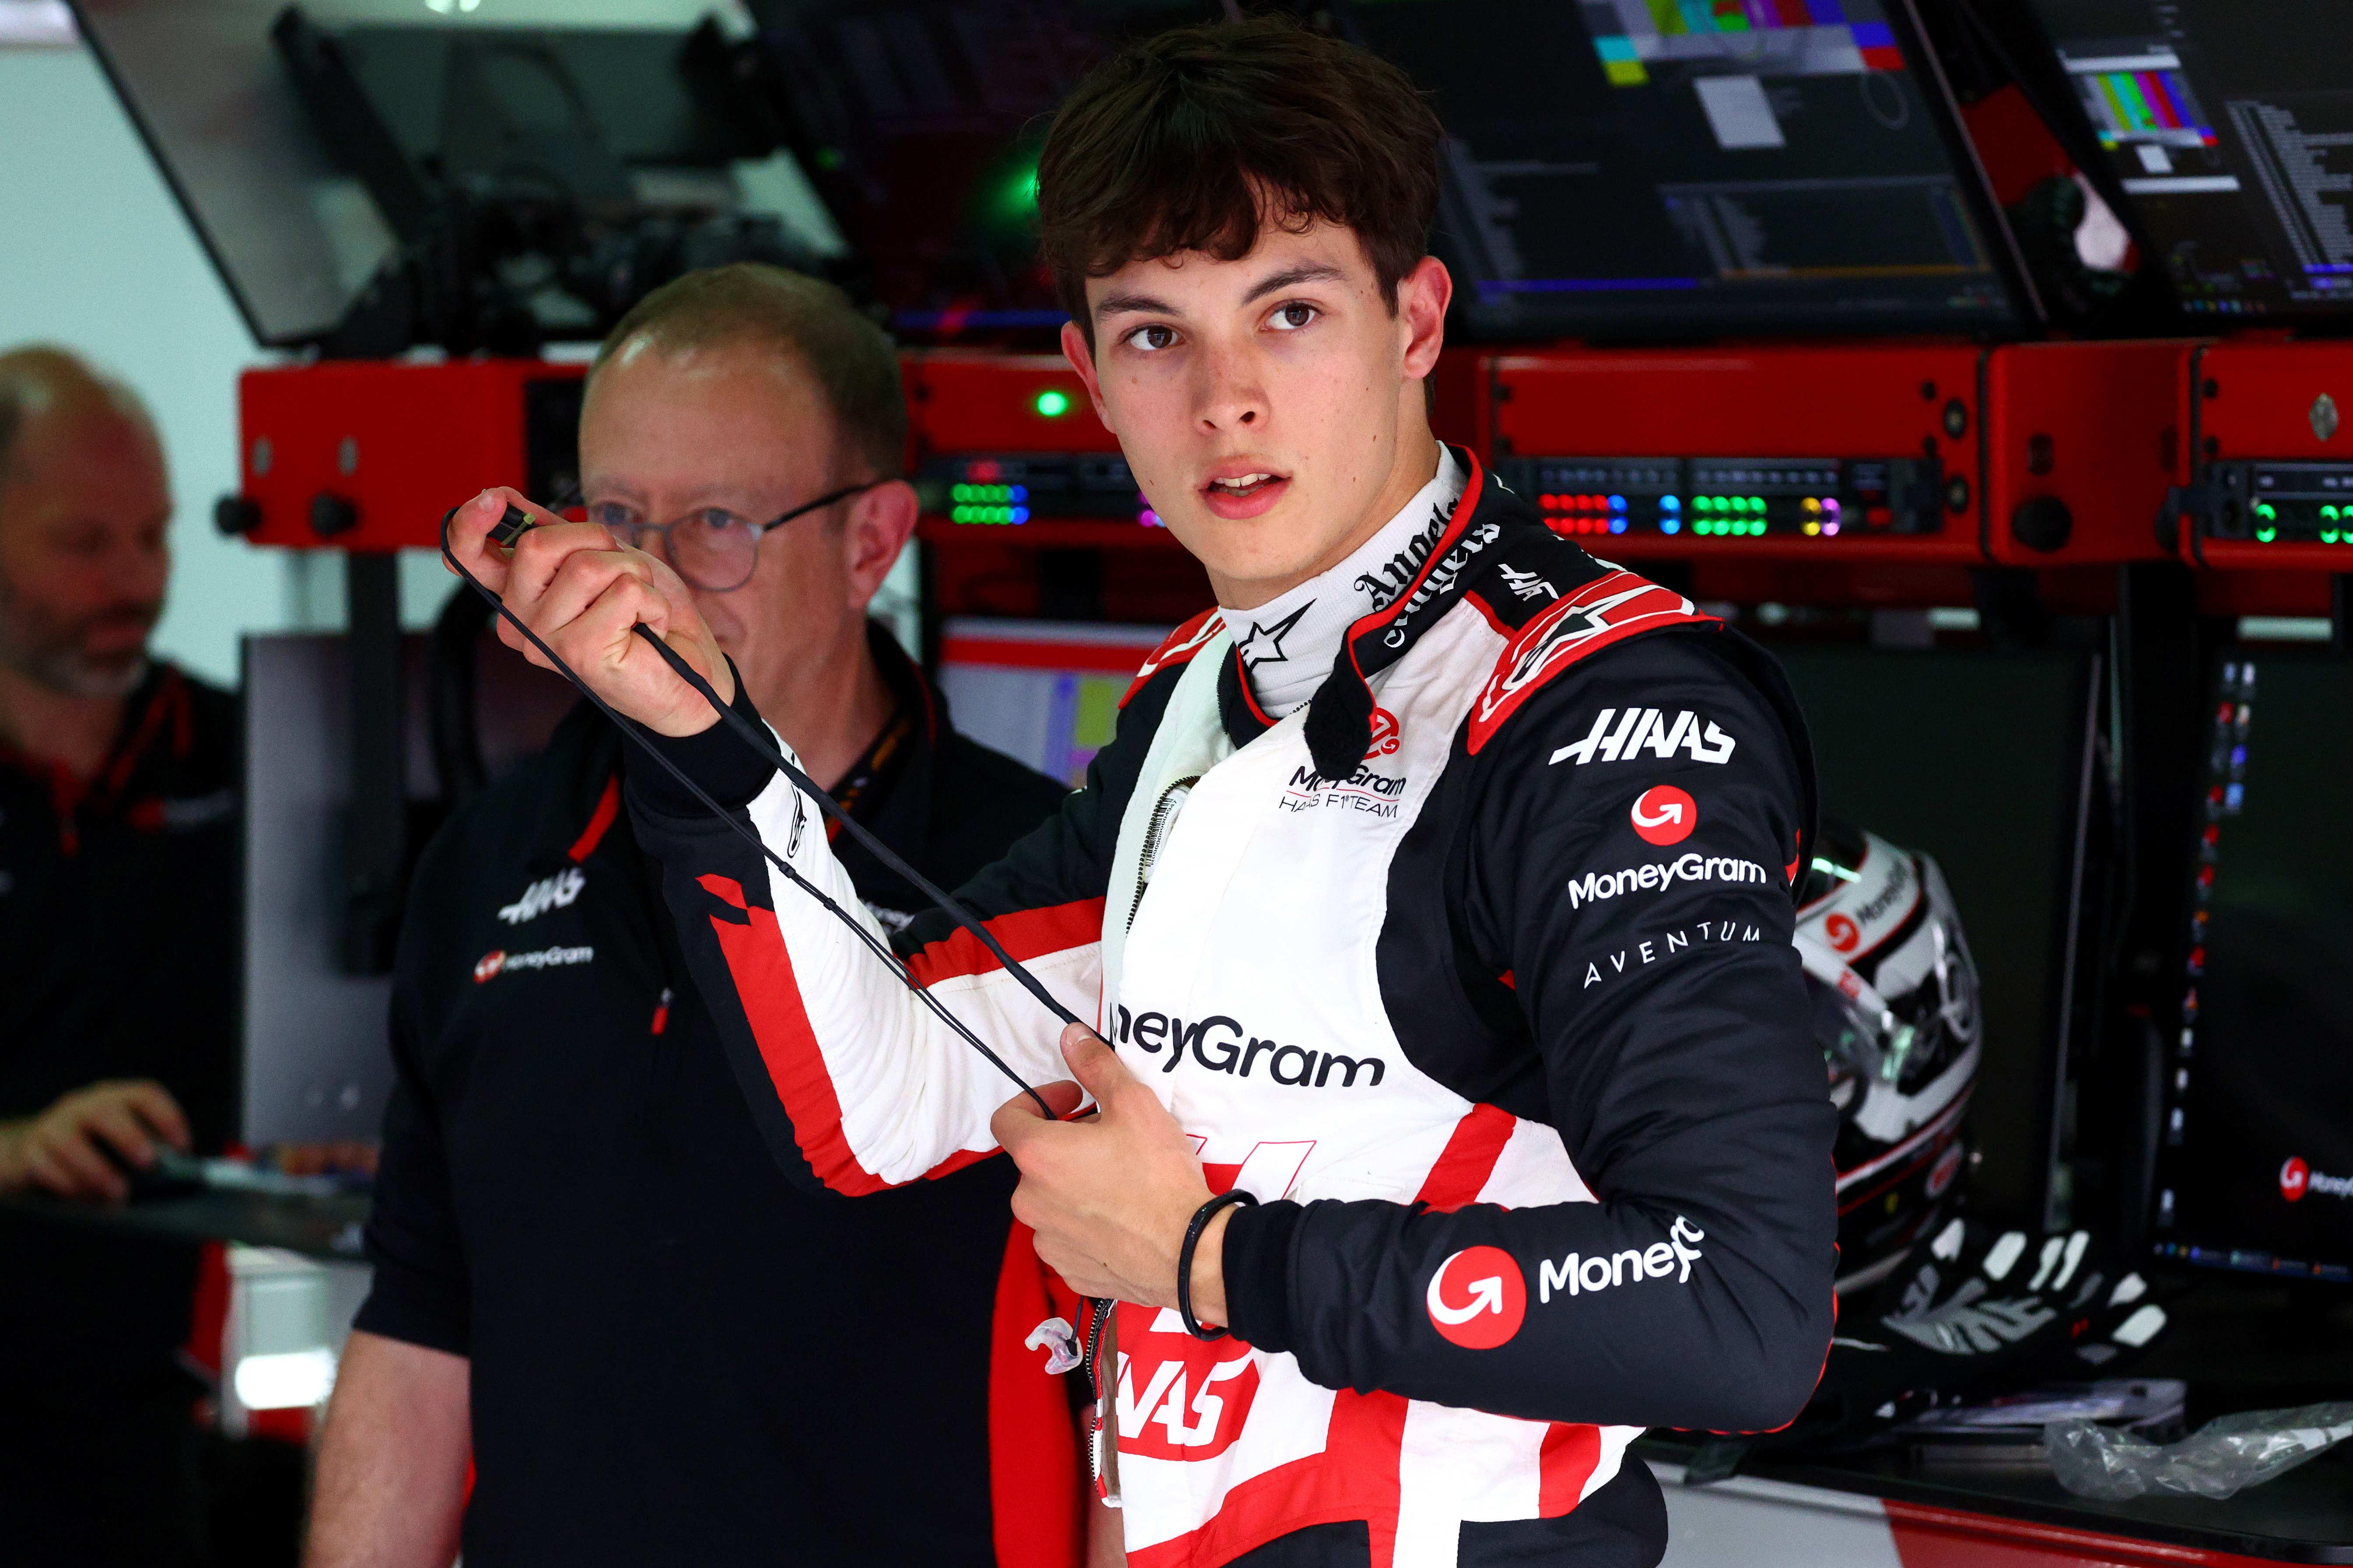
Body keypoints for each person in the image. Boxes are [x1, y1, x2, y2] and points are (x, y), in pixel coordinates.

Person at [447, 19, 1839, 1566]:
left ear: (1415, 319)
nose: (1224, 400)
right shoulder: (1206, 689)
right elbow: (887, 1100)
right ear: (1089, 377)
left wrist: (1205, 1261)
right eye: (1155, 335)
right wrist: (701, 745)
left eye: (1289, 311)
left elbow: (1743, 1312)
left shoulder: (1596, 710)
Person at [308, 266, 1072, 1568]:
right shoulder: (486, 858)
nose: (637, 581)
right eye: (613, 517)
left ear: (871, 543)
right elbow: (420, 1322)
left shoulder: (1034, 876)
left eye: (716, 522)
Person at [0, 346, 238, 1566]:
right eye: (84, 543)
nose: (135, 583)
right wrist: (18, 1148)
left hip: (143, 1420)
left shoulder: (246, 757)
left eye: (153, 537)